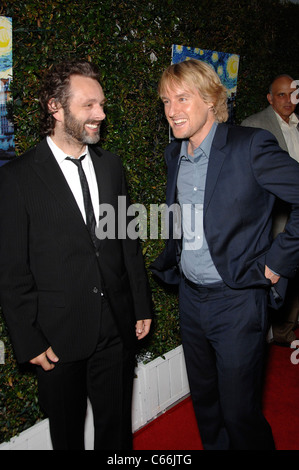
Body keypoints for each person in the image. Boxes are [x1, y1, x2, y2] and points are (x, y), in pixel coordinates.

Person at [0, 60, 152, 450]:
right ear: (55, 107)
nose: (100, 114)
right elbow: (11, 268)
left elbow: (127, 243)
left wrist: (140, 305)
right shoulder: (16, 178)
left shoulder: (112, 166)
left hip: (116, 329)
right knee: (66, 437)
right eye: (89, 105)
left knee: (116, 433)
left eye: (101, 104)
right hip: (57, 338)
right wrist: (28, 340)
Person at [150, 59, 299, 450]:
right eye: (166, 101)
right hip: (191, 300)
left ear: (211, 99)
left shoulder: (249, 145)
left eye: (182, 98)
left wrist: (276, 262)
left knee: (239, 412)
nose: (172, 110)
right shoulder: (174, 155)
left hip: (237, 299)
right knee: (207, 407)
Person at [242, 75, 299, 346]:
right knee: (277, 279)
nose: (288, 101)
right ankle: (268, 336)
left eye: (292, 95)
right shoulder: (253, 126)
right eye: (281, 95)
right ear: (269, 98)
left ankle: (287, 331)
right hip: (275, 221)